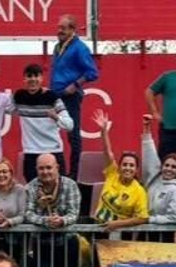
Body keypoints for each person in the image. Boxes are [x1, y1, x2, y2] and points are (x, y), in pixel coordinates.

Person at [23, 154, 83, 267]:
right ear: (36, 169)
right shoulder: (31, 187)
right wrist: (45, 221)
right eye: (41, 168)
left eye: (49, 167)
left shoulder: (70, 185)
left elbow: (74, 213)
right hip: (41, 244)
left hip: (67, 243)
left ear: (57, 167)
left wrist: (61, 221)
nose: (45, 172)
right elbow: (27, 214)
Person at [50, 14, 99, 173]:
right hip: (55, 95)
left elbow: (92, 72)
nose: (59, 31)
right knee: (52, 133)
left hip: (70, 96)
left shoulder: (80, 48)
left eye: (63, 28)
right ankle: (59, 170)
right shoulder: (58, 47)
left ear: (72, 30)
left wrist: (76, 84)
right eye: (58, 28)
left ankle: (74, 173)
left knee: (73, 135)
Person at [91, 110, 149, 238]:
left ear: (136, 170)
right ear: (120, 166)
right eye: (125, 164)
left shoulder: (139, 191)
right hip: (98, 229)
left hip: (121, 234)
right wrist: (103, 132)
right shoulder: (112, 175)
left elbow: (143, 218)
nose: (128, 168)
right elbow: (107, 152)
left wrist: (117, 224)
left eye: (131, 165)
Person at [14, 63, 74, 181]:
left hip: (53, 151)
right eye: (29, 76)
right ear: (24, 79)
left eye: (36, 76)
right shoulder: (19, 97)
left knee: (58, 192)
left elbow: (70, 125)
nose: (33, 79)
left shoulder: (52, 97)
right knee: (33, 193)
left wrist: (56, 117)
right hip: (31, 153)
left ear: (41, 78)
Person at [138, 116, 176, 241]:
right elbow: (149, 155)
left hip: (164, 237)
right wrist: (147, 129)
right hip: (145, 234)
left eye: (173, 167)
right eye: (166, 165)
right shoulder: (154, 180)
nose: (169, 169)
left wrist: (151, 219)